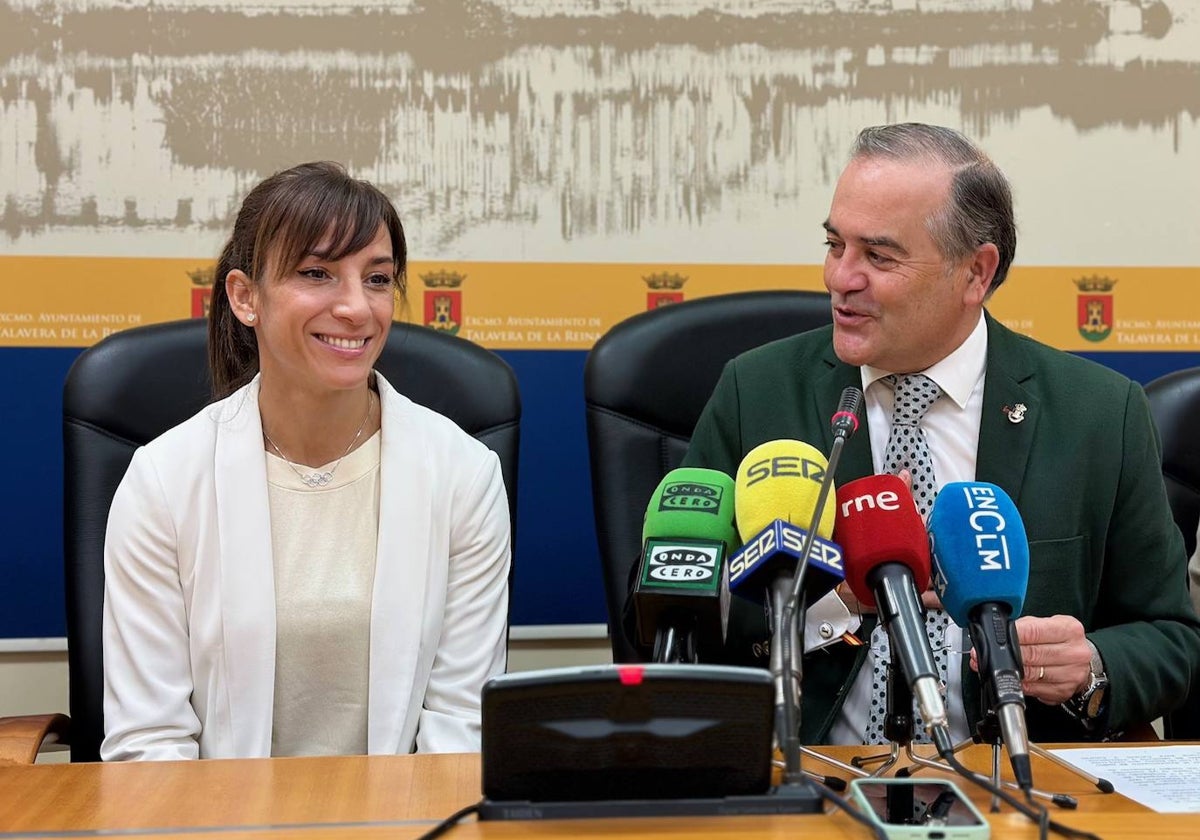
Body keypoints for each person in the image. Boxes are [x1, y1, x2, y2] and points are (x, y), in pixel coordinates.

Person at [681, 123, 1200, 744]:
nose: (840, 278)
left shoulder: (1098, 413)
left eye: (879, 256)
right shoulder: (756, 392)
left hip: (1013, 783)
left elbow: (1171, 637)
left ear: (976, 273)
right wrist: (830, 605)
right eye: (834, 244)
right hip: (814, 779)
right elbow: (674, 617)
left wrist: (1089, 668)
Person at [101, 162, 511, 761]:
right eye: (317, 273)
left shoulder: (463, 475)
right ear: (245, 297)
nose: (357, 308)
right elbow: (150, 743)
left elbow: (460, 730)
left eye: (376, 279)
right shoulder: (164, 480)